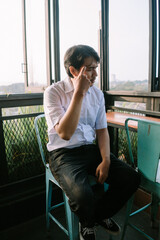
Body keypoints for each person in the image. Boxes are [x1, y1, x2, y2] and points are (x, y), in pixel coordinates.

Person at [44, 45, 140, 240]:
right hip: (63, 154)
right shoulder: (54, 92)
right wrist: (79, 93)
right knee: (82, 196)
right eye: (90, 68)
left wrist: (105, 159)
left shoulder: (97, 94)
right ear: (73, 70)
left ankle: (93, 217)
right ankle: (89, 221)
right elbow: (65, 133)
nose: (95, 73)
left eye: (96, 67)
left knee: (131, 178)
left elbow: (102, 130)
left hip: (90, 149)